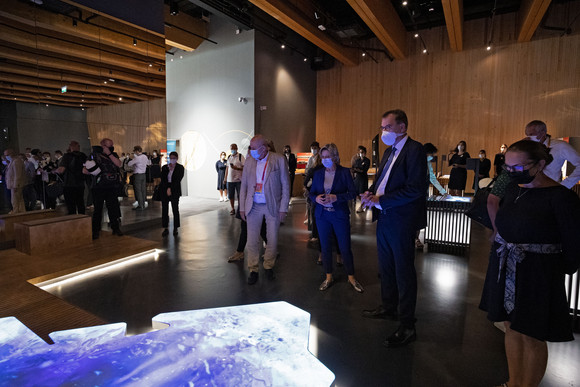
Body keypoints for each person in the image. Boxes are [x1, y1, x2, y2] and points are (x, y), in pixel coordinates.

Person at [479, 140, 580, 387]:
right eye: (508, 168)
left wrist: (556, 271)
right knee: (511, 327)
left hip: (539, 273)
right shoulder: (515, 189)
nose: (511, 173)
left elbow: (574, 243)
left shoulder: (561, 198)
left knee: (533, 334)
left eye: (517, 167)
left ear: (541, 164)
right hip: (508, 266)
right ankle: (514, 382)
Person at [360, 109, 427, 348]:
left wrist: (382, 200)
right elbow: (382, 182)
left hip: (402, 219)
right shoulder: (389, 151)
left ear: (402, 127)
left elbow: (416, 189)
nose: (383, 132)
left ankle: (408, 324)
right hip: (386, 217)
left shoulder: (415, 150)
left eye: (387, 127)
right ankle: (389, 307)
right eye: (382, 128)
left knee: (403, 271)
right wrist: (372, 194)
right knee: (386, 268)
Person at [309, 143, 363, 293]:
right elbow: (311, 193)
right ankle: (328, 277)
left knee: (345, 247)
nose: (325, 159)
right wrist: (316, 199)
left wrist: (336, 197)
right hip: (322, 216)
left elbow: (352, 193)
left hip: (339, 215)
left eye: (328, 156)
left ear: (335, 157)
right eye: (323, 157)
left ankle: (351, 277)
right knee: (325, 247)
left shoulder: (345, 172)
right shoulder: (318, 173)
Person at [239, 135, 290, 285]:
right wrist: (242, 207)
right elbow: (244, 187)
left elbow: (286, 185)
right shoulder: (249, 161)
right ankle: (253, 269)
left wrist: (283, 208)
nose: (251, 151)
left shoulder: (279, 160)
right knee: (252, 240)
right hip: (253, 206)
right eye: (250, 147)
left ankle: (269, 266)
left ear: (263, 148)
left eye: (253, 148)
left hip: (272, 205)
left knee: (272, 239)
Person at [85, 138, 123, 239]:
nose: (111, 147)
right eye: (109, 145)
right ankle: (95, 231)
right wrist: (93, 171)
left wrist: (109, 154)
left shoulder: (113, 155)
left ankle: (115, 228)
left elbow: (119, 164)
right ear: (103, 145)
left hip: (112, 186)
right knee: (98, 209)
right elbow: (85, 169)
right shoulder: (94, 155)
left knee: (113, 208)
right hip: (99, 186)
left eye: (112, 145)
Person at [525, 120, 580, 189]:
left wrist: (565, 185)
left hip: (551, 188)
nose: (528, 138)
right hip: (530, 189)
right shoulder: (527, 147)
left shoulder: (560, 146)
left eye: (531, 135)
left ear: (543, 133)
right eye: (527, 135)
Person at [54, 141, 87, 214]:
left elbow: (61, 170)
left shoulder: (67, 156)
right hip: (80, 183)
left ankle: (73, 221)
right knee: (80, 203)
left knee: (71, 205)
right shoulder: (83, 155)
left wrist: (54, 171)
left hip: (69, 184)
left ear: (71, 147)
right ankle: (83, 220)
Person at [160, 151, 184, 237]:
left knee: (175, 209)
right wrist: (167, 188)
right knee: (164, 209)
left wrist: (170, 188)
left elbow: (178, 180)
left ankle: (175, 228)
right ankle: (165, 228)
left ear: (177, 158)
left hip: (175, 189)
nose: (172, 160)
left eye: (174, 158)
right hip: (165, 189)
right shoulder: (165, 167)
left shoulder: (180, 168)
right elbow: (163, 179)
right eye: (171, 158)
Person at [3, 148, 26, 214]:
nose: (6, 157)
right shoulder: (12, 161)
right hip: (13, 184)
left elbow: (17, 174)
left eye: (7, 155)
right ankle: (20, 211)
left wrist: (16, 184)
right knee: (18, 199)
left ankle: (16, 212)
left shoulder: (16, 161)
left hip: (15, 184)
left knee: (15, 200)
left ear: (11, 154)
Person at [128, 146, 150, 210]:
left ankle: (140, 206)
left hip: (138, 175)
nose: (134, 152)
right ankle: (143, 204)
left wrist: (133, 158)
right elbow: (148, 163)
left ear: (137, 151)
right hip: (143, 174)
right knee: (143, 190)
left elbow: (129, 164)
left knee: (138, 191)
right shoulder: (145, 156)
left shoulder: (137, 158)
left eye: (134, 151)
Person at [225, 143, 245, 215]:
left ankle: (240, 209)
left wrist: (237, 168)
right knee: (231, 195)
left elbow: (245, 167)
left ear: (237, 148)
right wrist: (225, 178)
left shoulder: (240, 156)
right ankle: (233, 208)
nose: (232, 150)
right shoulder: (229, 157)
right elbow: (227, 168)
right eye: (231, 148)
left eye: (234, 148)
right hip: (230, 180)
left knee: (240, 195)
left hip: (239, 180)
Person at [304, 141, 320, 224]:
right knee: (308, 201)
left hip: (316, 182)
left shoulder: (320, 158)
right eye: (312, 148)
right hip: (310, 181)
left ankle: (314, 219)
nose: (313, 150)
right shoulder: (311, 158)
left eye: (315, 148)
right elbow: (307, 169)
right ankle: (309, 217)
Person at [352, 146, 370, 213]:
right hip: (358, 178)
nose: (361, 154)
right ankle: (364, 203)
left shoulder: (367, 160)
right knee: (357, 193)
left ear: (365, 153)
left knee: (362, 192)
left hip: (363, 179)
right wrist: (357, 170)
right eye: (360, 152)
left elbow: (364, 170)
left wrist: (359, 169)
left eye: (362, 152)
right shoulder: (357, 160)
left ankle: (362, 207)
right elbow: (355, 167)